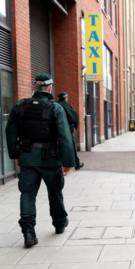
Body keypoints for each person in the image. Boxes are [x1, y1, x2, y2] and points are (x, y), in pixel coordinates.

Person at [6, 73, 75, 248]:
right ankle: (59, 222)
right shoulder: (56, 108)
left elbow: (10, 131)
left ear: (35, 87)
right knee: (55, 192)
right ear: (50, 88)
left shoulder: (20, 106)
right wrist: (68, 162)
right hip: (50, 160)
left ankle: (28, 231)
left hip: (28, 159)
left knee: (27, 194)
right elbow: (65, 137)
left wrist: (16, 154)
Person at [57, 92, 84, 170]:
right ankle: (77, 164)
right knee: (71, 146)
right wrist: (75, 126)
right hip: (68, 129)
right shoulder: (67, 106)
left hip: (57, 129)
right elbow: (74, 117)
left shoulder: (56, 105)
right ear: (65, 97)